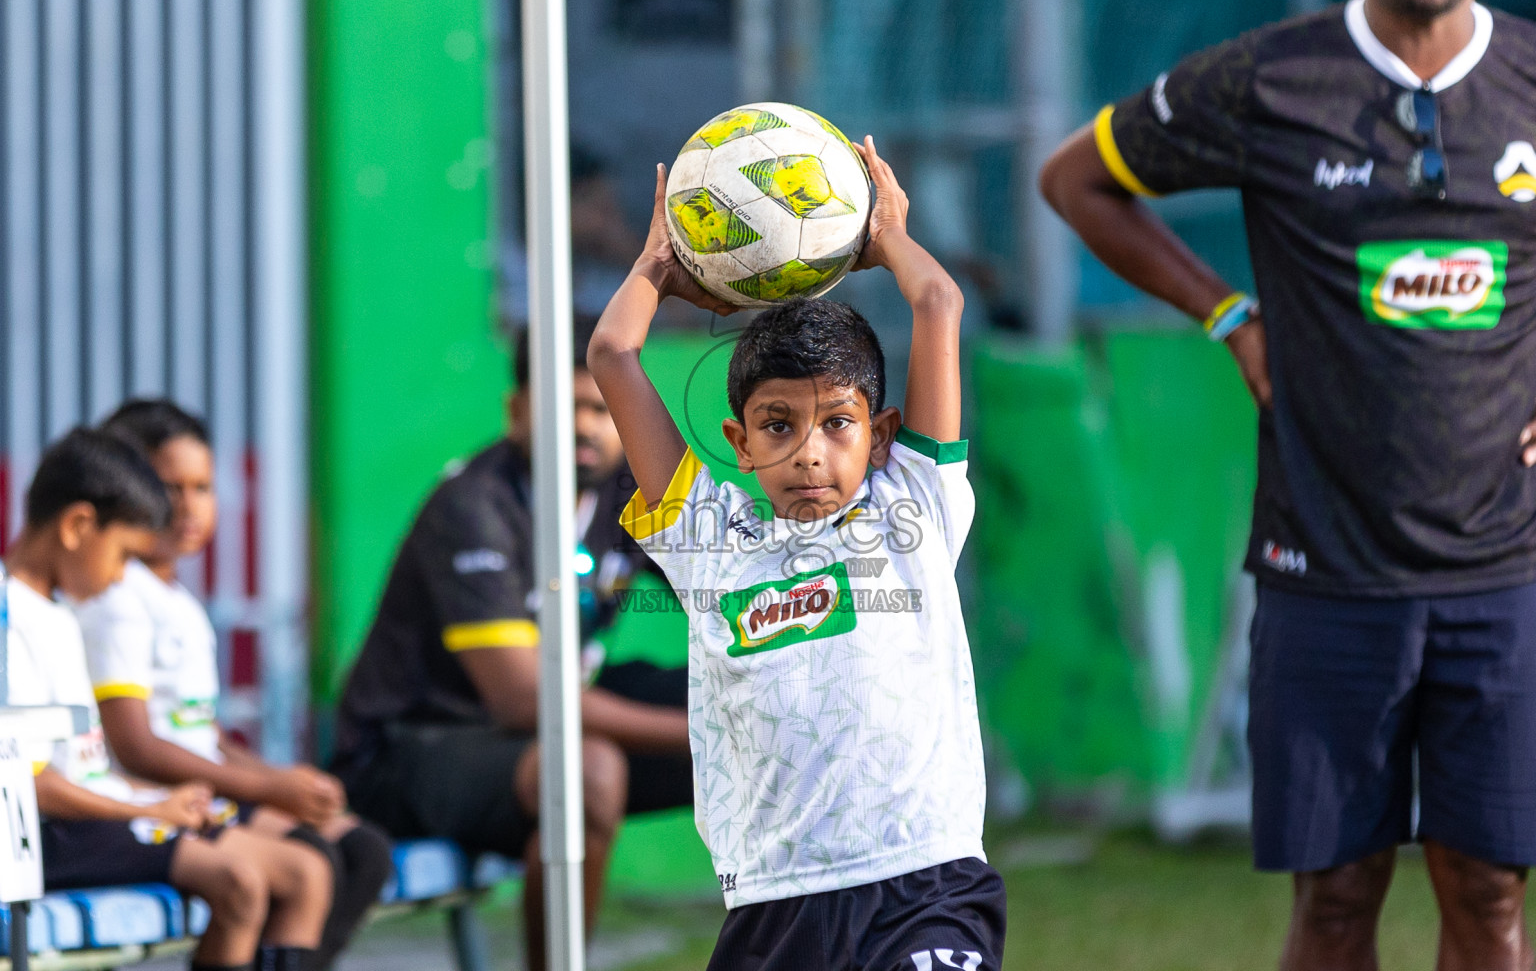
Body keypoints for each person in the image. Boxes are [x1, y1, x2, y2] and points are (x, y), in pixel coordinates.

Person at [1040, 0, 1536, 967]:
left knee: (1488, 892)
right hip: (1324, 568)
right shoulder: (1267, 77)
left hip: (1505, 571)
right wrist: (1228, 315)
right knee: (1338, 897)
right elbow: (1073, 180)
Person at [587, 141, 1005, 970]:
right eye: (778, 425)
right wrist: (658, 268)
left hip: (924, 882)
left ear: (880, 435)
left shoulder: (914, 506)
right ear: (739, 442)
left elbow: (939, 300)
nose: (810, 451)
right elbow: (611, 356)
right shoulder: (707, 541)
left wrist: (886, 236)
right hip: (774, 904)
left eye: (837, 423)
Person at [330, 316, 693, 971]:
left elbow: (722, 598)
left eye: (602, 409)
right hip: (413, 749)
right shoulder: (474, 506)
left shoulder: (625, 493)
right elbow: (524, 701)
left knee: (770, 713)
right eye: (565, 406)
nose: (584, 427)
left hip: (538, 732)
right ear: (517, 410)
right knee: (587, 772)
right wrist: (707, 732)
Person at [71, 400, 393, 971]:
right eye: (169, 487)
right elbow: (136, 746)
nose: (188, 506)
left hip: (205, 786)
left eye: (202, 487)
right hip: (160, 795)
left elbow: (203, 730)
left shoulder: (177, 599)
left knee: (362, 851)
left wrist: (281, 779)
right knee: (310, 864)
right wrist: (267, 787)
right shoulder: (117, 597)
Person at [3, 428, 331, 971]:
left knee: (303, 871)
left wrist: (165, 799)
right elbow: (29, 783)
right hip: (49, 837)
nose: (121, 578)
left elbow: (85, 767)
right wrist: (147, 808)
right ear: (77, 526)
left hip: (95, 819)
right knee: (240, 883)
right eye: (123, 556)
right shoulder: (10, 618)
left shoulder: (58, 613)